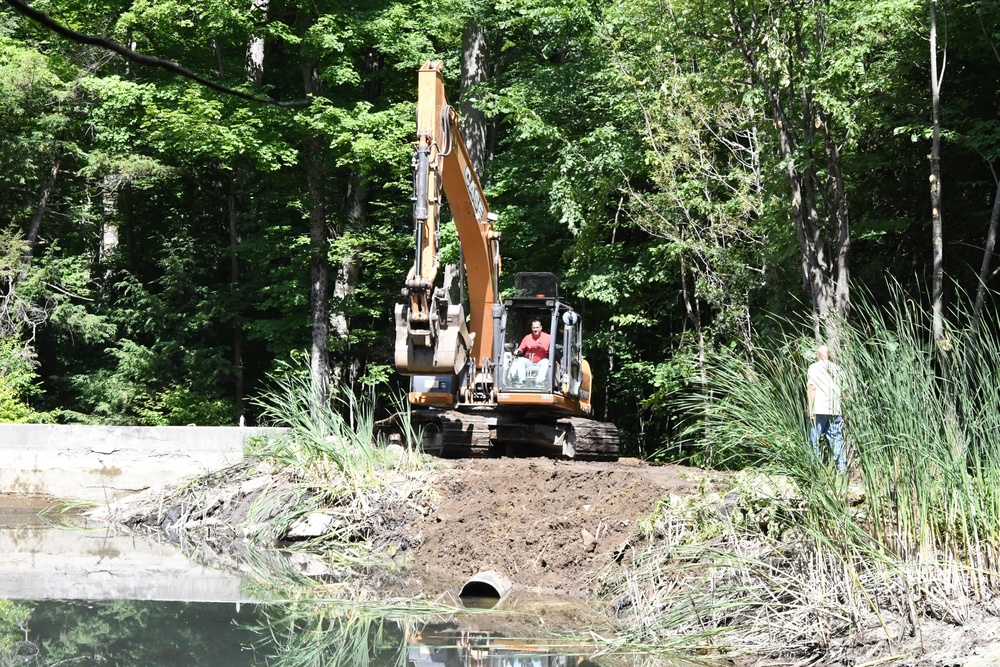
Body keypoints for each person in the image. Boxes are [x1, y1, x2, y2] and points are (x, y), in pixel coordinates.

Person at [807, 344, 846, 473]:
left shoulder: (813, 368)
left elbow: (812, 388)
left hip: (819, 408)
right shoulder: (838, 369)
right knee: (836, 440)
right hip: (835, 409)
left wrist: (810, 408)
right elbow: (844, 391)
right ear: (828, 354)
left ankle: (815, 470)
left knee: (814, 441)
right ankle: (841, 469)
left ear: (818, 354)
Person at [509, 319, 551, 387]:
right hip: (529, 361)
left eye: (537, 327)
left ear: (541, 328)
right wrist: (517, 351)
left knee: (546, 362)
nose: (535, 329)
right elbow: (521, 349)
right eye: (534, 328)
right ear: (531, 328)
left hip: (541, 361)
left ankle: (539, 382)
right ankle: (522, 381)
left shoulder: (548, 337)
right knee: (520, 360)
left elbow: (552, 349)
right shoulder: (527, 338)